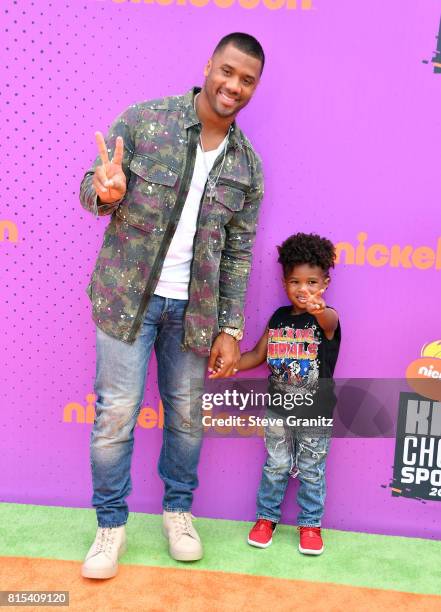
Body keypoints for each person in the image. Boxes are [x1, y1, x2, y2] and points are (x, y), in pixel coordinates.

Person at [79, 32, 265, 579]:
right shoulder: (144, 120)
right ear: (209, 65)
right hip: (125, 301)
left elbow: (238, 254)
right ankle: (110, 527)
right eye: (228, 71)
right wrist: (105, 193)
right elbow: (93, 188)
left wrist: (230, 326)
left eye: (247, 79)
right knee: (115, 417)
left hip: (195, 313)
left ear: (255, 87)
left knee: (186, 418)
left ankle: (178, 513)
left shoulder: (248, 167)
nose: (234, 86)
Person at [235, 233, 341, 555]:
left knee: (311, 469)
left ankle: (310, 524)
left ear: (325, 282)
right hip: (279, 410)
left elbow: (329, 319)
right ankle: (266, 518)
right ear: (284, 283)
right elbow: (256, 354)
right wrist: (231, 365)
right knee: (276, 465)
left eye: (312, 282)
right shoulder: (279, 318)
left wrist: (319, 308)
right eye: (295, 281)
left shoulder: (327, 319)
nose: (303, 289)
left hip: (315, 412)